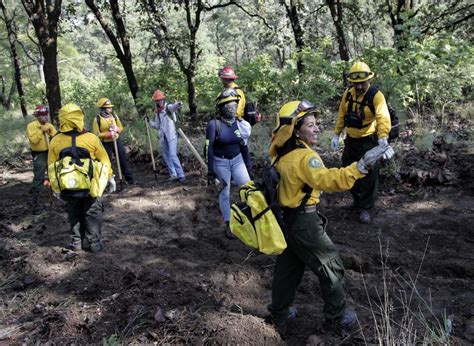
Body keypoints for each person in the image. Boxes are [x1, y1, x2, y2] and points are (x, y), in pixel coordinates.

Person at [266, 100, 390, 336]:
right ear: (295, 129)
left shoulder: (281, 155)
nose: (316, 128)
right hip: (304, 223)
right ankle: (335, 318)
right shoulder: (305, 158)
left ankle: (279, 313)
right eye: (310, 125)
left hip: (285, 222)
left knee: (287, 270)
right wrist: (361, 167)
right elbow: (329, 180)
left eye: (316, 124)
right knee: (331, 265)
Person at [331, 61, 394, 223]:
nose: (358, 87)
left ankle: (366, 207)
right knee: (348, 169)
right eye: (355, 83)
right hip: (350, 141)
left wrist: (383, 138)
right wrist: (336, 134)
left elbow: (383, 118)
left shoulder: (376, 96)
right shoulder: (348, 94)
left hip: (368, 141)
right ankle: (357, 200)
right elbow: (341, 114)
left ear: (369, 80)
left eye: (362, 83)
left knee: (369, 174)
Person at [48, 103, 115, 253]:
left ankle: (76, 243)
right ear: (79, 118)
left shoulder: (55, 141)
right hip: (91, 185)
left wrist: (55, 187)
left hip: (67, 186)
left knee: (74, 212)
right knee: (93, 211)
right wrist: (110, 177)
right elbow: (104, 160)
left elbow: (51, 166)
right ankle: (94, 244)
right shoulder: (91, 138)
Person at [205, 88, 252, 239]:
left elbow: (244, 146)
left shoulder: (240, 125)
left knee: (248, 189)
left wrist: (248, 165)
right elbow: (209, 148)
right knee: (224, 193)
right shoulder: (214, 125)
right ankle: (229, 224)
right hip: (221, 162)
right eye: (228, 105)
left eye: (234, 105)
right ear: (220, 108)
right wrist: (210, 171)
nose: (232, 108)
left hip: (238, 160)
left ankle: (250, 218)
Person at [92, 97, 134, 185]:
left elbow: (121, 127)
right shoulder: (97, 119)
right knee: (107, 162)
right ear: (103, 108)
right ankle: (108, 182)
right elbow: (96, 134)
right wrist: (107, 134)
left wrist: (116, 129)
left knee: (122, 159)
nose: (110, 108)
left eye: (111, 107)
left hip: (116, 140)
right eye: (108, 107)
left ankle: (129, 179)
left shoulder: (114, 116)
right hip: (105, 144)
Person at [147, 89, 185, 182]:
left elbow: (175, 106)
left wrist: (179, 103)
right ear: (155, 101)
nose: (159, 101)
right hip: (163, 137)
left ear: (163, 99)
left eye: (160, 100)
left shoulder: (168, 107)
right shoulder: (157, 112)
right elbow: (156, 126)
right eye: (157, 100)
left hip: (171, 136)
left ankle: (181, 175)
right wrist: (149, 122)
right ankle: (173, 174)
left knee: (172, 155)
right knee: (166, 156)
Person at [26, 104, 57, 213]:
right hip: (39, 154)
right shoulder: (31, 126)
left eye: (46, 114)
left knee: (53, 173)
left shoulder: (49, 125)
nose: (45, 117)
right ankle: (35, 200)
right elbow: (34, 140)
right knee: (39, 176)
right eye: (42, 115)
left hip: (50, 153)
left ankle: (54, 196)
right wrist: (40, 131)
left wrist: (50, 130)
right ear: (37, 116)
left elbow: (56, 137)